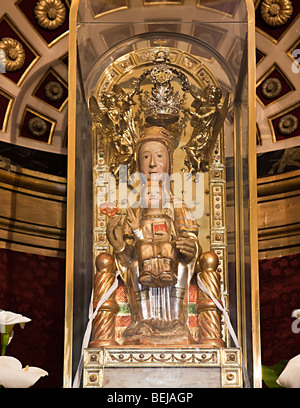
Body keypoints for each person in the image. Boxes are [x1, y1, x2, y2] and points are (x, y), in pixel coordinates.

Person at [106, 126, 200, 345]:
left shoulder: (178, 205)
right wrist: (119, 245)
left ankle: (177, 322)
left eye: (159, 156)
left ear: (169, 163)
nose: (152, 164)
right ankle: (142, 321)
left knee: (183, 267)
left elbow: (191, 239)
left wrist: (190, 247)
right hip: (143, 266)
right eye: (146, 157)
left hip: (174, 264)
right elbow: (128, 253)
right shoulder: (136, 209)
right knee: (134, 267)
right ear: (138, 165)